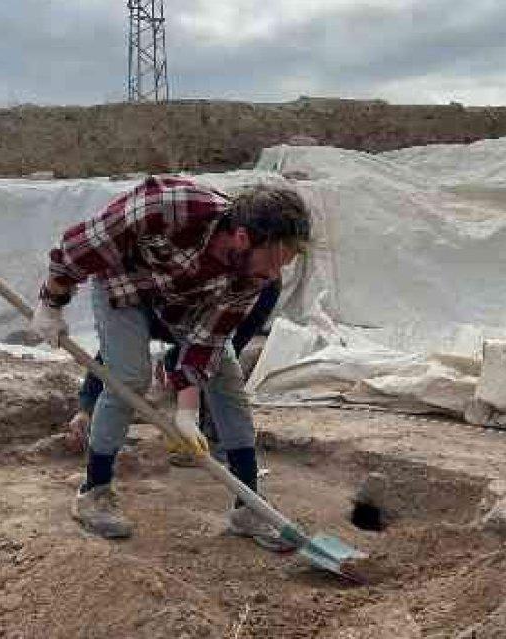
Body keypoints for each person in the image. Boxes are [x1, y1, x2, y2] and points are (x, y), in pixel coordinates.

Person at [29, 175, 310, 548]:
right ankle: (93, 492)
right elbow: (77, 249)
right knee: (128, 377)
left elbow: (206, 339)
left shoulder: (252, 273)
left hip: (188, 307)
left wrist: (187, 411)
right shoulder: (169, 206)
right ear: (242, 237)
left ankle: (248, 507)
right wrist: (51, 303)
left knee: (227, 381)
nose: (274, 276)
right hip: (126, 290)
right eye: (273, 261)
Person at [68, 279, 282, 465]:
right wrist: (86, 407)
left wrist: (186, 403)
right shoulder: (140, 301)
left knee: (219, 366)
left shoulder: (260, 283)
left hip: (231, 306)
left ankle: (217, 441)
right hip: (172, 307)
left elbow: (213, 349)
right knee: (131, 369)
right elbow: (112, 352)